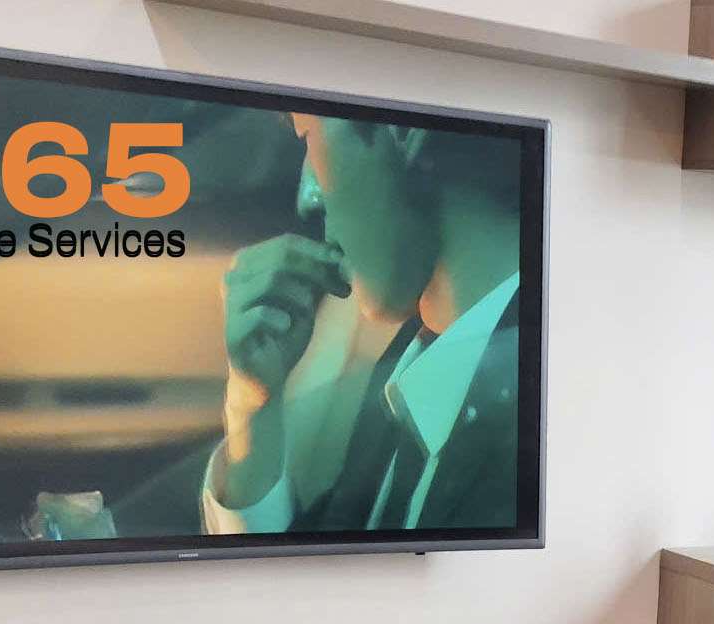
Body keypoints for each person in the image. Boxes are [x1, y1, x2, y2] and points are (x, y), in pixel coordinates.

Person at [204, 114, 524, 536]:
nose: (307, 199)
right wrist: (253, 409)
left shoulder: (542, 417)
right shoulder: (409, 371)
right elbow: (327, 566)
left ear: (405, 131)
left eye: (308, 137)